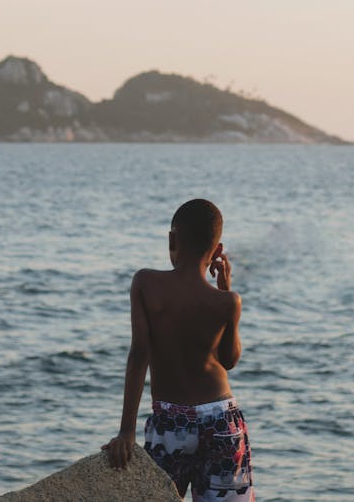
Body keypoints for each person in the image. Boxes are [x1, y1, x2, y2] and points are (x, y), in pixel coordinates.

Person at [103, 198, 255, 500]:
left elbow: (139, 355)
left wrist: (126, 432)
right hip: (222, 419)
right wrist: (226, 292)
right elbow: (229, 360)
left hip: (172, 423)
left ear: (172, 239)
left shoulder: (146, 283)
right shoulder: (228, 301)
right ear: (218, 251)